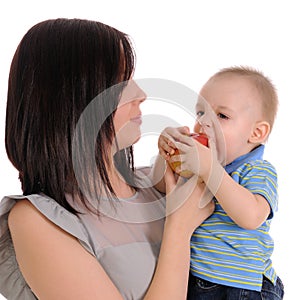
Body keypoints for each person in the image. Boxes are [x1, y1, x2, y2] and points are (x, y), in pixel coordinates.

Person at [0, 18, 215, 300]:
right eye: (122, 83)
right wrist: (179, 228)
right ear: (73, 99)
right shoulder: (37, 220)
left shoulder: (157, 184)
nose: (141, 94)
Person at [158, 66, 284, 299]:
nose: (203, 123)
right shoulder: (200, 166)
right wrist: (167, 150)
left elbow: (251, 216)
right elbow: (159, 186)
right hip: (193, 281)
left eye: (222, 116)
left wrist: (211, 170)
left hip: (241, 287)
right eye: (200, 113)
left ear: (256, 133)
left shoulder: (257, 170)